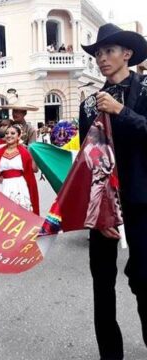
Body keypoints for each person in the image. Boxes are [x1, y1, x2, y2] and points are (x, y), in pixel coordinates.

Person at [79, 23, 147, 359]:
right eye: (98, 53)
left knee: (145, 281)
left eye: (109, 51)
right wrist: (98, 210)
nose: (102, 59)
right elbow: (88, 160)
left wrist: (121, 111)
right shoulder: (89, 105)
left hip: (142, 201)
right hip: (103, 207)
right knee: (102, 287)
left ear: (127, 54)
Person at [0, 125, 40, 214]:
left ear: (19, 136)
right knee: (4, 213)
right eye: (7, 133)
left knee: (21, 213)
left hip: (20, 186)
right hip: (3, 186)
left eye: (13, 133)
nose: (9, 135)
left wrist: (34, 153)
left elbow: (34, 169)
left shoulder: (24, 152)